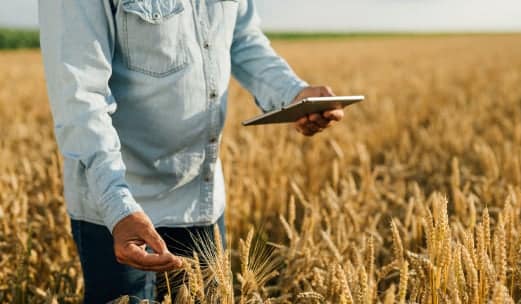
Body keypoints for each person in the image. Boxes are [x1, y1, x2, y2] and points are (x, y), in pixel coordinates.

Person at [38, 0, 344, 302]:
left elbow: (242, 38)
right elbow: (80, 99)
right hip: (117, 213)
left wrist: (292, 93)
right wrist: (118, 207)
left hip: (202, 202)